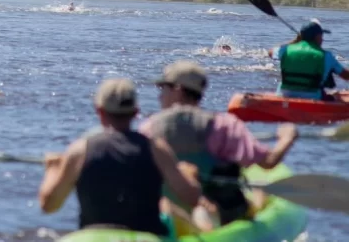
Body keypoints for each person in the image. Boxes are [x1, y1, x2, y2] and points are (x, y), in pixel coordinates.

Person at [139, 60, 298, 233]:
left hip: (169, 216)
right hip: (221, 218)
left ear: (177, 90)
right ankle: (256, 201)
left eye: (164, 88)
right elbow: (269, 162)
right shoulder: (225, 126)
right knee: (261, 190)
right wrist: (286, 138)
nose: (160, 95)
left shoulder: (149, 128)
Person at [39, 78, 201, 237]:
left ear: (100, 112)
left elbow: (49, 205)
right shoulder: (157, 149)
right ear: (136, 112)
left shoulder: (80, 150)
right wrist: (187, 175)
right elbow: (192, 198)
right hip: (144, 236)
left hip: (93, 236)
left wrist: (53, 170)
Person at [268, 19, 349, 100]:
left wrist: (295, 40)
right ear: (317, 37)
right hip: (313, 97)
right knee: (336, 95)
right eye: (321, 36)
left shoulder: (286, 50)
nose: (322, 39)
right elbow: (345, 75)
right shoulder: (326, 55)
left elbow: (270, 52)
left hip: (284, 95)